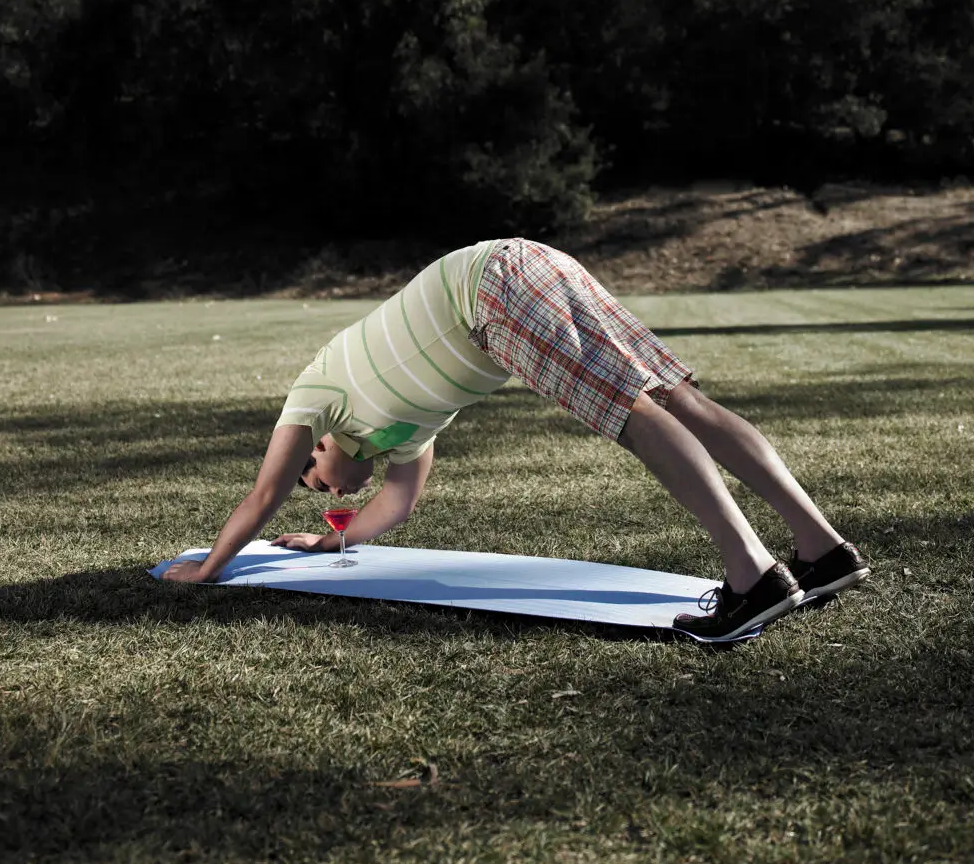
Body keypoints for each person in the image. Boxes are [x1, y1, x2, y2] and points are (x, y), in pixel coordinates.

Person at [161, 238, 869, 641]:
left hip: (494, 290)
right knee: (673, 397)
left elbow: (262, 493)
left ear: (317, 441)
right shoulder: (400, 433)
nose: (323, 488)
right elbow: (398, 505)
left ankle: (751, 577)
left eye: (313, 476)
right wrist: (332, 541)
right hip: (523, 265)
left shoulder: (316, 396)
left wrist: (209, 568)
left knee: (633, 412)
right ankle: (821, 551)